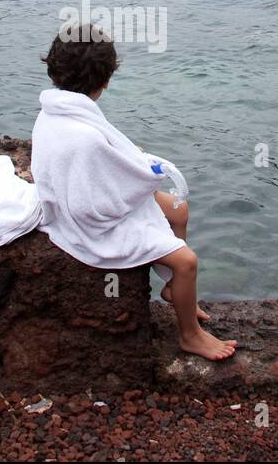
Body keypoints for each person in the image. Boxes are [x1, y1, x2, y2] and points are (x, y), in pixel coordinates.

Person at [30, 24, 237, 361]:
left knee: (178, 209)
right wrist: (137, 174)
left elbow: (100, 165)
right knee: (187, 262)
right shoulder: (83, 135)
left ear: (54, 70)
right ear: (106, 79)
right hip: (90, 223)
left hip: (87, 197)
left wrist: (125, 161)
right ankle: (190, 335)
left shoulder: (56, 110)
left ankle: (173, 289)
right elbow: (93, 202)